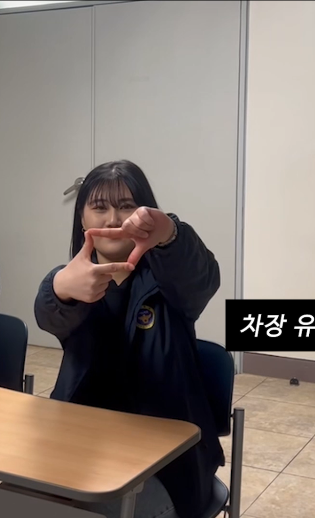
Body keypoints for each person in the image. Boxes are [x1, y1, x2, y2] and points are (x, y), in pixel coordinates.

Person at [33, 160, 223, 518]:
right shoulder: (75, 281)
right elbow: (49, 316)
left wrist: (170, 233)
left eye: (126, 206)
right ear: (82, 218)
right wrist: (59, 288)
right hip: (81, 445)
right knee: (14, 497)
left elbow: (203, 279)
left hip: (166, 459)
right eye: (99, 207)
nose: (113, 219)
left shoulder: (171, 281)